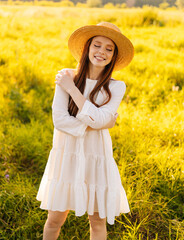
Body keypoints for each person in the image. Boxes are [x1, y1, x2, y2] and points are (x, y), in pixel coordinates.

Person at [36, 22, 134, 240]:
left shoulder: (116, 87)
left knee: (97, 222)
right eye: (97, 45)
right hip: (66, 156)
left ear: (114, 56)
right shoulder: (65, 76)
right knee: (54, 220)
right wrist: (98, 122)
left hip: (96, 158)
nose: (101, 52)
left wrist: (72, 90)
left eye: (109, 49)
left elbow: (99, 120)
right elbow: (60, 120)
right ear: (87, 48)